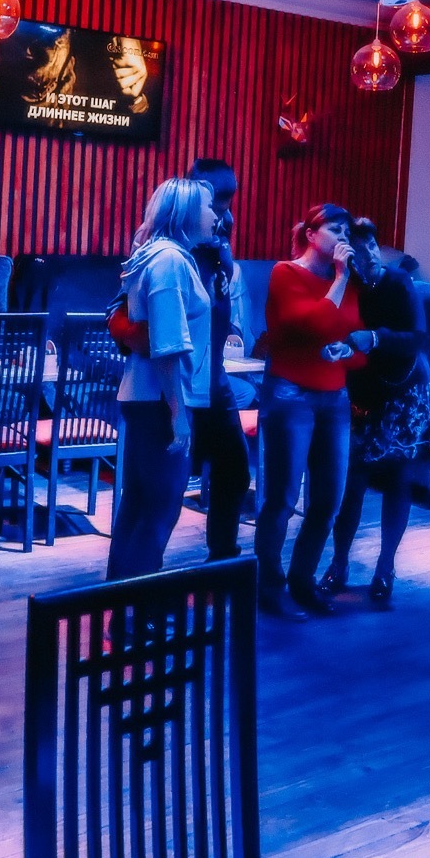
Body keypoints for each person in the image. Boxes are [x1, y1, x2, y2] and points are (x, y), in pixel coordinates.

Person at [254, 204, 366, 619]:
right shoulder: (286, 273)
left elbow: (355, 341)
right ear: (311, 233)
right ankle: (269, 587)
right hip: (290, 394)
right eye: (335, 228)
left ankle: (303, 581)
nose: (343, 237)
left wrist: (348, 352)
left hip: (334, 397)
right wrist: (339, 279)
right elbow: (311, 325)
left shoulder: (348, 281)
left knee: (328, 499)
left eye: (347, 231)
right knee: (282, 498)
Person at [106, 177, 216, 581]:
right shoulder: (170, 260)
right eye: (207, 206)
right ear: (185, 212)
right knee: (159, 510)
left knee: (138, 505)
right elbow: (167, 345)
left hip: (145, 397)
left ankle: (118, 602)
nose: (215, 214)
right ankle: (136, 606)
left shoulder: (155, 254)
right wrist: (178, 413)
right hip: (161, 400)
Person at [323, 218, 430, 606]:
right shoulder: (346, 285)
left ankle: (385, 567)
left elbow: (418, 338)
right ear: (347, 255)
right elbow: (334, 326)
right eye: (360, 248)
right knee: (351, 482)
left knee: (397, 480)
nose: (370, 254)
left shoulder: (399, 282)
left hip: (405, 391)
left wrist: (374, 338)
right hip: (365, 391)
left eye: (372, 245)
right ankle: (338, 563)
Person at [186, 158, 253, 562]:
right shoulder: (175, 246)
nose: (225, 215)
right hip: (181, 380)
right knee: (163, 493)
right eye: (216, 203)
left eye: (228, 203)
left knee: (235, 471)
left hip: (214, 378)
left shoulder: (219, 239)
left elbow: (225, 310)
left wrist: (224, 264)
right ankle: (136, 586)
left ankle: (222, 559)